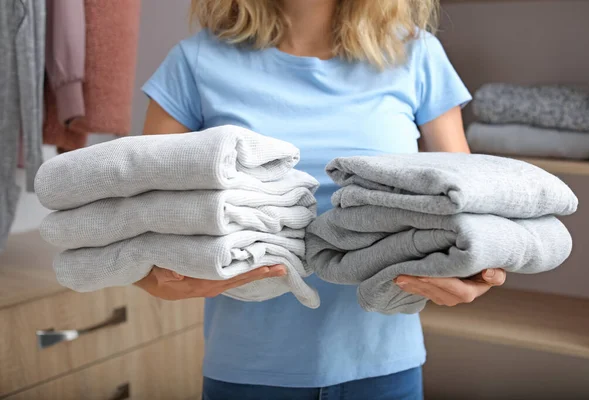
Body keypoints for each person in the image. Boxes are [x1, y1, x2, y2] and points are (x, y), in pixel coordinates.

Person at [136, 0, 507, 398]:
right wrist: (156, 280)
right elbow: (138, 219)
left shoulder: (416, 55)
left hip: (384, 368)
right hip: (250, 372)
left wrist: (475, 271)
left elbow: (466, 211)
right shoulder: (195, 62)